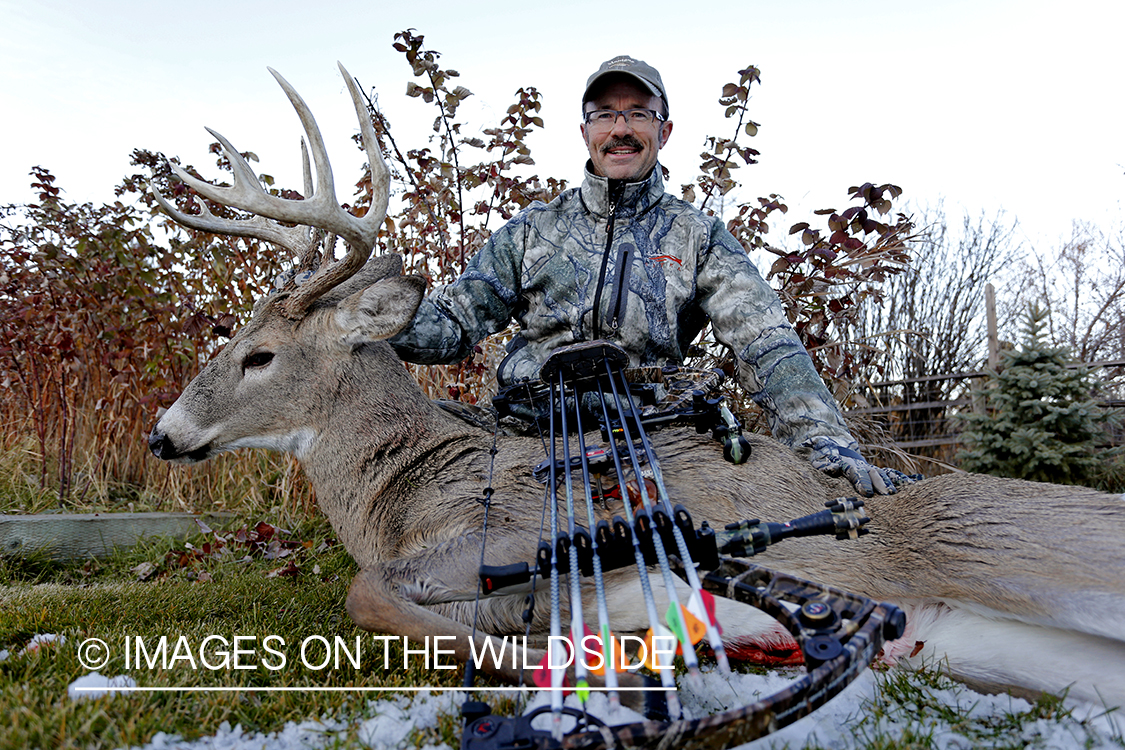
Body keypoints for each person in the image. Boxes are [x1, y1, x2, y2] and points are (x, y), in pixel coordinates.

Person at [389, 55, 912, 496]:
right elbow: (451, 324)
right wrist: (366, 310)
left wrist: (828, 447)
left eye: (638, 113)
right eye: (605, 115)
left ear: (663, 130)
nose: (621, 129)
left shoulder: (697, 236)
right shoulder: (532, 231)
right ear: (585, 132)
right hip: (528, 430)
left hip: (648, 434)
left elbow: (766, 342)